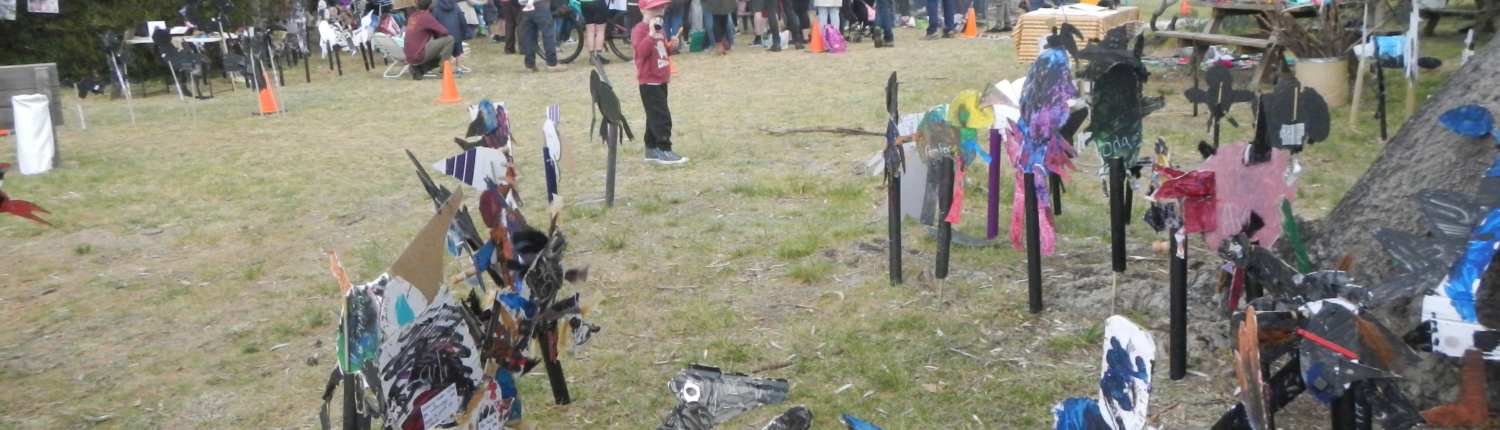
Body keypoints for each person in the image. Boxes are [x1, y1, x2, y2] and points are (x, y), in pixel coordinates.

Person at [634, 0, 688, 165]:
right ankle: (665, 149)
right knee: (661, 117)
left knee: (653, 116)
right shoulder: (640, 30)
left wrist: (670, 47)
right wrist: (651, 34)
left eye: (662, 8)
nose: (659, 12)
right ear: (643, 10)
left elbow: (661, 52)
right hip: (649, 81)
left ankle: (651, 148)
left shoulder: (661, 31)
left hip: (661, 78)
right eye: (654, 8)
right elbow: (641, 52)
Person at [405, 0, 455, 80]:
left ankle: (418, 70)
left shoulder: (413, 15)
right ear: (430, 6)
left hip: (409, 55)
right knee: (449, 39)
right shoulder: (426, 17)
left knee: (439, 58)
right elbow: (445, 32)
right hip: (419, 54)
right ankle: (443, 72)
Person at [521, 0, 567, 71]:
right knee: (548, 33)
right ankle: (552, 63)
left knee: (528, 35)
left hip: (524, 4)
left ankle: (529, 65)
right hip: (538, 3)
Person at [433, 0, 470, 71]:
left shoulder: (436, 7)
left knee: (446, 54)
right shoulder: (456, 6)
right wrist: (463, 33)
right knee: (458, 54)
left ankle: (447, 70)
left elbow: (434, 22)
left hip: (443, 36)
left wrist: (435, 36)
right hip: (457, 34)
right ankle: (459, 70)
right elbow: (462, 20)